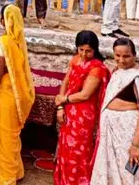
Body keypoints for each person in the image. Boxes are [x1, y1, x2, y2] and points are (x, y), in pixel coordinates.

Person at [91, 38, 139, 185]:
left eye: (126, 56)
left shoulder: (138, 78)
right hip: (112, 134)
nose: (121, 60)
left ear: (134, 55)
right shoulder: (117, 71)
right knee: (113, 172)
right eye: (117, 56)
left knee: (130, 175)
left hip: (128, 134)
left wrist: (136, 145)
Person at [0, 4, 35, 185]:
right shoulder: (20, 42)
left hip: (4, 96)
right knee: (11, 138)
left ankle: (4, 177)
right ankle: (14, 172)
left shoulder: (3, 43)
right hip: (16, 96)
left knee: (2, 138)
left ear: (4, 21)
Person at [53, 31, 110, 185]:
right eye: (81, 49)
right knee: (66, 148)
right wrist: (60, 108)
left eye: (88, 51)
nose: (84, 54)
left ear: (95, 49)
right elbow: (65, 81)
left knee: (80, 151)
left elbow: (85, 95)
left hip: (84, 116)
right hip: (69, 111)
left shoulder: (97, 68)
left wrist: (63, 100)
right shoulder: (76, 60)